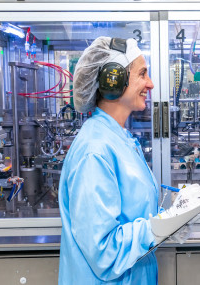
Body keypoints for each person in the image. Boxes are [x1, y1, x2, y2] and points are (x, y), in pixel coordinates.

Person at [58, 36, 158, 284]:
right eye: (142, 74)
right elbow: (103, 252)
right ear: (113, 79)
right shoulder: (95, 150)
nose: (151, 83)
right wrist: (160, 226)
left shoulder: (116, 137)